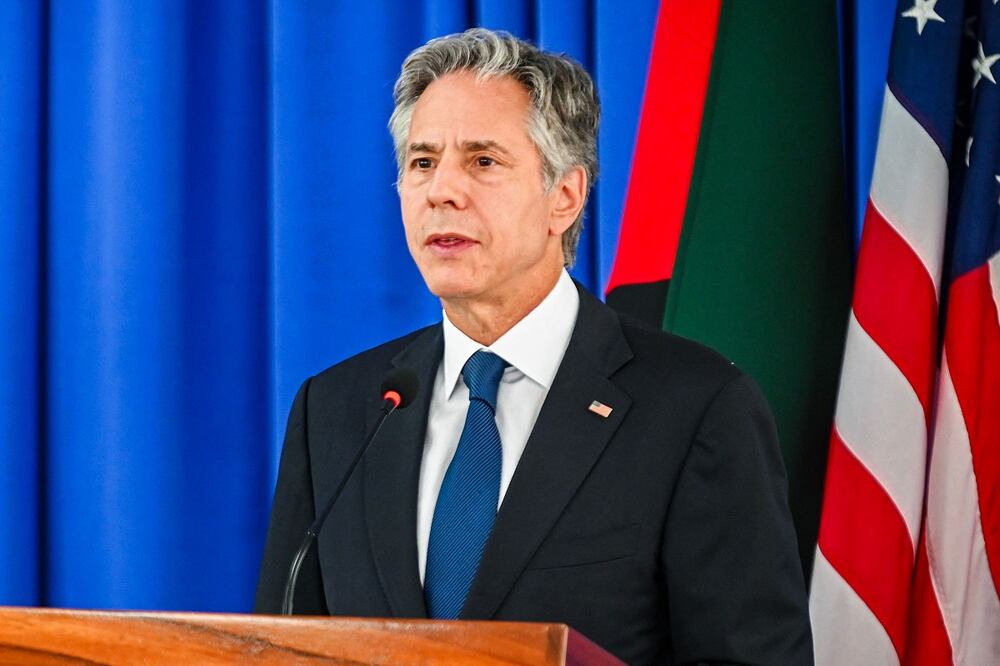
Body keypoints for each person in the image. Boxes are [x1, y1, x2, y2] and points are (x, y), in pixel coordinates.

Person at [255, 28, 812, 665]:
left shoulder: (695, 408)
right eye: (422, 162)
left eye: (483, 161)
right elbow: (275, 650)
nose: (441, 190)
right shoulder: (336, 410)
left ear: (564, 197)